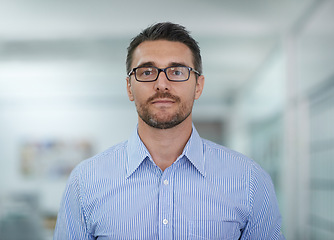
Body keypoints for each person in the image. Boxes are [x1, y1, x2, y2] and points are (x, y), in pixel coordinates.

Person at [54, 22, 285, 239]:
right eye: (146, 72)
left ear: (198, 86)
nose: (162, 84)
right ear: (129, 87)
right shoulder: (84, 182)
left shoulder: (249, 181)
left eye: (176, 71)